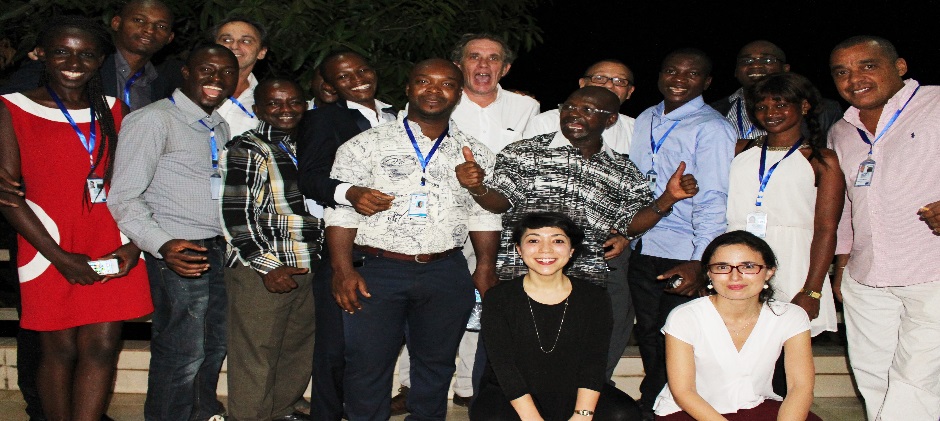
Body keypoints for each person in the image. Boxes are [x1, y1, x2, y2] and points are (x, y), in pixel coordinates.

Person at [0, 16, 153, 421]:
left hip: (111, 240)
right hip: (45, 243)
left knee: (103, 347)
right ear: (42, 55)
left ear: (100, 59)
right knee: (58, 349)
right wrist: (61, 257)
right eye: (62, 51)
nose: (74, 61)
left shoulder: (116, 111)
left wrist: (134, 243)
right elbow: (8, 198)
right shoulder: (12, 108)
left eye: (86, 54)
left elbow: (136, 184)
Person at [393, 32, 539, 412]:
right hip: (440, 223)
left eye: (493, 58)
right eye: (475, 57)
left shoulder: (526, 108)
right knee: (425, 303)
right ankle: (412, 385)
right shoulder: (438, 99)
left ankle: (469, 385)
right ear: (460, 64)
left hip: (499, 223)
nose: (483, 65)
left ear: (505, 68)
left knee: (485, 300)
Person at [108, 44, 238, 421]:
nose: (217, 79)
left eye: (226, 72)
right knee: (182, 350)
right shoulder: (154, 120)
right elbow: (124, 197)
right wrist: (162, 245)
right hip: (180, 246)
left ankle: (201, 413)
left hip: (217, 247)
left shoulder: (219, 125)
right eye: (207, 69)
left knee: (214, 344)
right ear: (186, 71)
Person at [828, 35, 940, 421]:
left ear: (900, 67)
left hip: (931, 270)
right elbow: (844, 203)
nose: (854, 78)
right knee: (873, 376)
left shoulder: (936, 104)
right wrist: (843, 261)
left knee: (917, 379)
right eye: (841, 71)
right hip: (866, 274)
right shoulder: (841, 130)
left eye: (867, 65)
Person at [627, 48, 736, 419]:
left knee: (676, 338)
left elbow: (714, 199)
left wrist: (699, 261)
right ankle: (658, 403)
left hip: (682, 251)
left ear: (706, 83)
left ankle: (654, 407)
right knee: (649, 334)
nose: (678, 79)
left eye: (691, 74)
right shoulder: (645, 118)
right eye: (672, 70)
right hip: (643, 245)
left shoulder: (713, 127)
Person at [522, 58, 639, 381]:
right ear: (582, 82)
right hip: (547, 251)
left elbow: (638, 193)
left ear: (629, 92)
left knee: (609, 322)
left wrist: (626, 233)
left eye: (618, 81)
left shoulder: (637, 130)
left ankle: (593, 388)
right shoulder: (544, 122)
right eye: (599, 77)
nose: (608, 85)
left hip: (606, 251)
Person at [296, 50, 396, 421]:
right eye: (343, 77)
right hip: (345, 245)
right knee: (335, 348)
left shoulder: (398, 117)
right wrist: (350, 192)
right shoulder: (324, 119)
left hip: (393, 247)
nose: (356, 79)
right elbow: (310, 177)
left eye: (362, 70)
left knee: (374, 346)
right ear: (330, 86)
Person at [726, 74, 843, 384]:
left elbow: (827, 229)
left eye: (780, 103)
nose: (770, 111)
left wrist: (812, 289)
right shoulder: (739, 150)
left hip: (793, 264)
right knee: (735, 351)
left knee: (781, 362)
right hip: (738, 258)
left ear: (803, 106)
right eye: (762, 105)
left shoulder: (822, 160)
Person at [471, 212, 640, 421]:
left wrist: (582, 415)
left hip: (571, 390)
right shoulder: (499, 297)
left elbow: (593, 363)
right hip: (513, 393)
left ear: (571, 250)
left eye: (557, 241)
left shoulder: (594, 297)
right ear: (519, 249)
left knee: (623, 414)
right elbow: (505, 367)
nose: (545, 249)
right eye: (533, 240)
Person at [220, 78, 321, 421]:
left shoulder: (304, 147)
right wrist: (267, 266)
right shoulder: (248, 148)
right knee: (256, 356)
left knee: (296, 351)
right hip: (263, 269)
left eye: (293, 102)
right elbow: (236, 215)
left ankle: (280, 412)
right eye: (275, 104)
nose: (286, 110)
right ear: (259, 108)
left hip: (305, 263)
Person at [654, 231, 820, 420]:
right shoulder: (684, 317)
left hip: (754, 404)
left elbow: (800, 387)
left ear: (769, 272)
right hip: (692, 412)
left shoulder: (789, 316)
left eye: (748, 266)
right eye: (723, 267)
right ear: (709, 273)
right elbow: (684, 392)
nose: (735, 277)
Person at [0, 0, 179, 111]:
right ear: (116, 23)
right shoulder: (76, 65)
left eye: (161, 26)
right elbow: (7, 106)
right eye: (139, 20)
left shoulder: (161, 84)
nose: (149, 30)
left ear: (170, 38)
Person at [709, 40, 842, 141]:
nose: (755, 65)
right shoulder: (713, 112)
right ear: (736, 71)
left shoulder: (826, 110)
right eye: (747, 60)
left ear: (785, 68)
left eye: (767, 60)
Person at [212, 18, 268, 137]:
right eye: (226, 40)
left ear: (261, 52)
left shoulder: (267, 101)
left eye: (246, 41)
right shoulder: (189, 89)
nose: (234, 46)